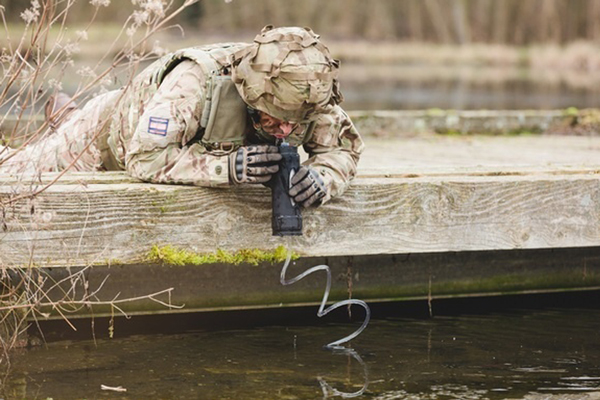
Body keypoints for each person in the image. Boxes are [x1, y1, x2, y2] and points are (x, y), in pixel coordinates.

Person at [0, 26, 364, 208]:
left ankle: (64, 112)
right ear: (251, 94)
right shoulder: (197, 80)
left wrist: (322, 180)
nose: (286, 129)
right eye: (275, 118)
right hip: (106, 137)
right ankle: (70, 119)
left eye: (294, 123)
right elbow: (143, 158)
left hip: (155, 127)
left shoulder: (308, 89)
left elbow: (343, 150)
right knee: (17, 170)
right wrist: (228, 168)